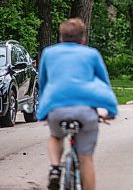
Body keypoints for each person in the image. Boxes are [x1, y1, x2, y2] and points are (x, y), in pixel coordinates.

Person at [37, 18, 118, 190]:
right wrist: (109, 111)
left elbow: (43, 84)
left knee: (56, 135)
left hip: (56, 109)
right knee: (86, 158)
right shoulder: (92, 54)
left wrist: (44, 110)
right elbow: (104, 84)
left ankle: (55, 169)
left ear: (61, 38)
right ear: (83, 39)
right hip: (85, 112)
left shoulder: (48, 53)